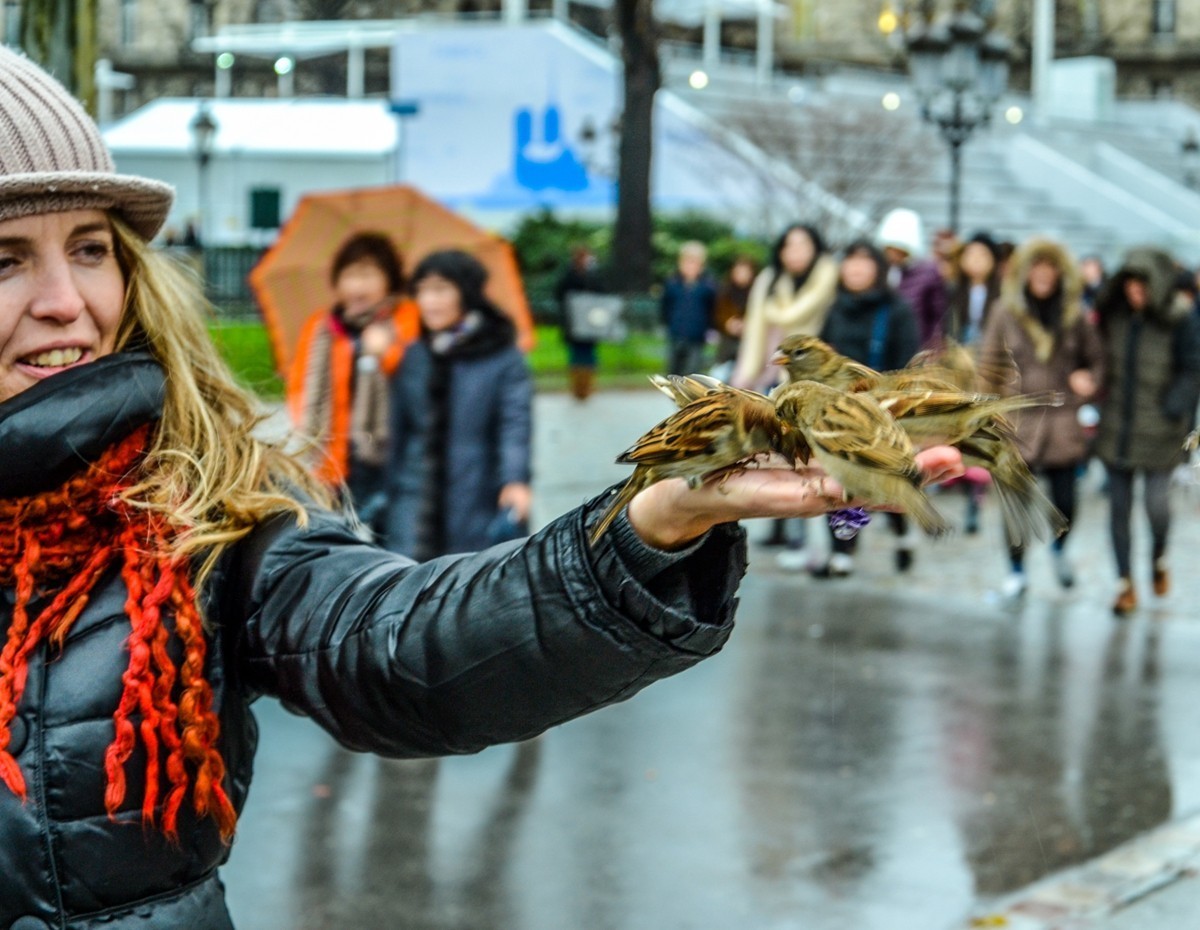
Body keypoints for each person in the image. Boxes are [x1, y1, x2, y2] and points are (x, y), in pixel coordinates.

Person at [0, 48, 967, 928]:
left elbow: (398, 642)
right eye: (8, 258)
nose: (66, 301)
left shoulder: (196, 512)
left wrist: (646, 529)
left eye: (90, 247)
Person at [384, 249, 533, 560]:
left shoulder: (501, 356)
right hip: (412, 498)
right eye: (421, 291)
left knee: (471, 577)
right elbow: (397, 431)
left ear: (466, 292)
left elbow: (515, 424)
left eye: (440, 290)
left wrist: (515, 479)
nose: (428, 301)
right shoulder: (414, 355)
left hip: (476, 490)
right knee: (409, 579)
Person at [977, 238, 1105, 601]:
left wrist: (1087, 382)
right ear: (1026, 271)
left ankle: (1060, 549)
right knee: (1015, 506)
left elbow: (1096, 360)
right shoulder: (1005, 311)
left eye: (1050, 267)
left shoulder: (1073, 315)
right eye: (1037, 266)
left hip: (1062, 422)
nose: (1043, 274)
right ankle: (1016, 571)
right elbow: (988, 365)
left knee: (1066, 503)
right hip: (1017, 419)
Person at [287, 231, 419, 537]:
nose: (357, 286)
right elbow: (299, 385)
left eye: (368, 275)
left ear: (389, 280)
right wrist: (306, 426)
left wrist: (387, 353)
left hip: (387, 456)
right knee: (333, 538)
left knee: (391, 541)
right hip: (332, 458)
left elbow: (419, 386)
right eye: (350, 275)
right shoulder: (321, 328)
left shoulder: (408, 320)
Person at [1094, 247, 1200, 615]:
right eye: (1129, 286)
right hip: (1117, 427)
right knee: (1118, 510)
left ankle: (1158, 557)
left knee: (1157, 506)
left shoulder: (1179, 318)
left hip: (1160, 429)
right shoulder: (1116, 316)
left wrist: (1175, 405)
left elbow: (1193, 367)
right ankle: (1124, 583)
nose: (1134, 294)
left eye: (1142, 287)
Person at [811, 239, 921, 578]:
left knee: (886, 481)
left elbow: (908, 366)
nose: (856, 268)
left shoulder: (897, 309)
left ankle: (902, 535)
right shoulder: (835, 308)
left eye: (864, 261)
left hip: (883, 412)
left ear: (878, 268)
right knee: (837, 475)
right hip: (838, 413)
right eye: (850, 261)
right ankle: (841, 550)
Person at [731, 223, 837, 393]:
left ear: (815, 249)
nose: (796, 251)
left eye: (803, 244)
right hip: (768, 369)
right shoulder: (769, 281)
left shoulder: (831, 283)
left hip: (814, 379)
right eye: (789, 245)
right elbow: (754, 331)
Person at [876, 207, 948, 350]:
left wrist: (933, 348)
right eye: (889, 249)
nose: (892, 254)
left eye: (897, 249)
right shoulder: (880, 271)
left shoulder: (927, 273)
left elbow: (937, 316)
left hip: (916, 345)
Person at [554, 244, 605, 401]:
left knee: (589, 355)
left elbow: (602, 293)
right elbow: (560, 294)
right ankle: (577, 387)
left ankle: (587, 387)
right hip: (574, 322)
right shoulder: (569, 276)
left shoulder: (593, 276)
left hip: (589, 322)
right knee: (577, 355)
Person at [659, 240, 717, 376]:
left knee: (692, 372)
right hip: (676, 332)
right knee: (674, 371)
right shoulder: (672, 283)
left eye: (695, 262)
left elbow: (712, 308)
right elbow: (665, 306)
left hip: (697, 335)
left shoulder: (708, 286)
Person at [710, 254, 756, 381]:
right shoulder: (724, 291)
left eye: (745, 271)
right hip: (727, 345)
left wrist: (746, 325)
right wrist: (728, 323)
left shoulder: (756, 293)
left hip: (748, 345)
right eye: (738, 271)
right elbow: (717, 314)